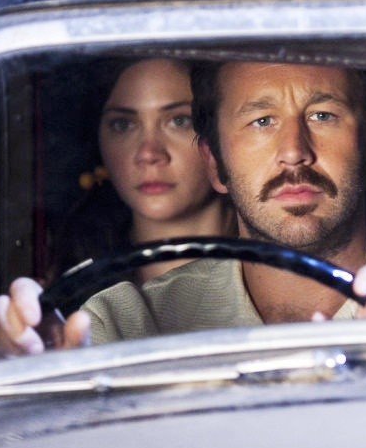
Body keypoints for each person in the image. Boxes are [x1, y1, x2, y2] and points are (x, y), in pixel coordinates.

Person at [0, 60, 366, 354]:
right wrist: (31, 374)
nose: (294, 153)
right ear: (214, 162)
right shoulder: (124, 325)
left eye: (324, 115)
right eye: (261, 121)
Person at [44, 57, 236, 283]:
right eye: (123, 125)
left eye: (180, 121)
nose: (148, 154)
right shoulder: (70, 287)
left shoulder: (276, 271)